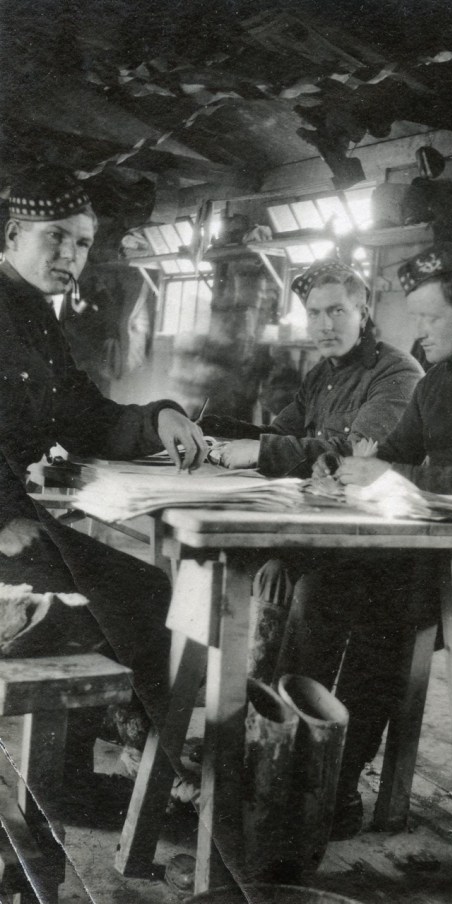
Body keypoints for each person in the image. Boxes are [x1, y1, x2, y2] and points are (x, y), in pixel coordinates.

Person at [281, 241, 452, 837]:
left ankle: (336, 787)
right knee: (319, 587)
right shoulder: (436, 380)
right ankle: (293, 758)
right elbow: (393, 455)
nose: (418, 331)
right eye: (415, 317)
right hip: (441, 547)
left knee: (386, 616)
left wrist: (387, 474)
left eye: (430, 319)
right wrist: (343, 470)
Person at [0, 167, 208, 790]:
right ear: (12, 235)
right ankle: (102, 774)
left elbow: (85, 415)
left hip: (20, 519)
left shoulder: (34, 316)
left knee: (145, 588)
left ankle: (126, 760)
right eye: (55, 236)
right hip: (3, 529)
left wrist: (158, 416)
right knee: (123, 602)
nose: (70, 254)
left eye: (83, 242)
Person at [200, 258, 424, 681]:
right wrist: (214, 430)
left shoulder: (397, 373)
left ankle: (288, 710)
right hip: (323, 525)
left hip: (377, 540)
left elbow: (351, 457)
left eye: (337, 311)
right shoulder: (322, 374)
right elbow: (279, 433)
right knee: (235, 565)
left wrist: (260, 450)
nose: (324, 325)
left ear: (363, 313)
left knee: (300, 582)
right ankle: (252, 699)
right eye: (315, 313)